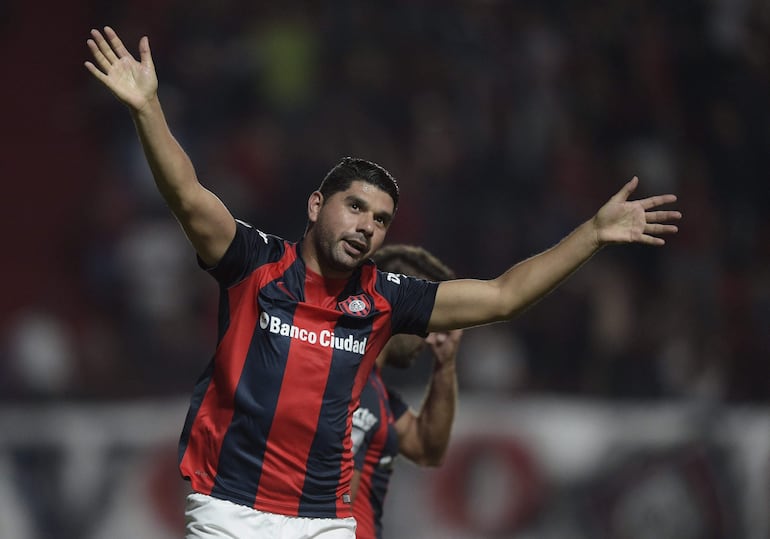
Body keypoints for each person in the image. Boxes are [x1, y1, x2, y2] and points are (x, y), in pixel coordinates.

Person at [84, 26, 681, 539]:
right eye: (355, 208)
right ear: (317, 205)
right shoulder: (254, 263)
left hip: (325, 521)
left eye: (380, 219)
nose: (367, 227)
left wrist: (593, 234)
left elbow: (502, 297)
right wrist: (147, 109)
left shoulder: (386, 299)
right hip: (229, 512)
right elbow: (188, 197)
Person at [350, 245, 461, 539]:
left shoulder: (375, 391)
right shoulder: (349, 382)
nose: (428, 337)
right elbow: (327, 504)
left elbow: (427, 449)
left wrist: (445, 364)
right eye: (427, 320)